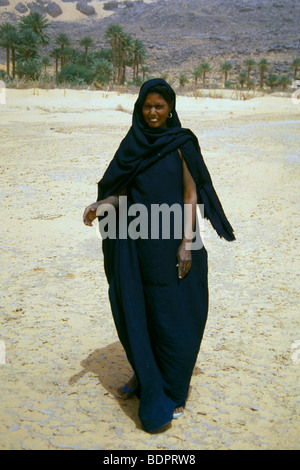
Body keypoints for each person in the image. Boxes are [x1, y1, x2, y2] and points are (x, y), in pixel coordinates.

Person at [83, 78, 235, 433]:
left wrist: (185, 243)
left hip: (175, 242)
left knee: (177, 312)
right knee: (140, 309)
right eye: (147, 106)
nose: (153, 113)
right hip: (139, 242)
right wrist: (100, 204)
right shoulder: (132, 144)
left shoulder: (181, 144)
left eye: (159, 107)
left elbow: (189, 196)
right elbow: (122, 194)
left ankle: (176, 389)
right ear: (140, 107)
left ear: (170, 109)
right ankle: (145, 375)